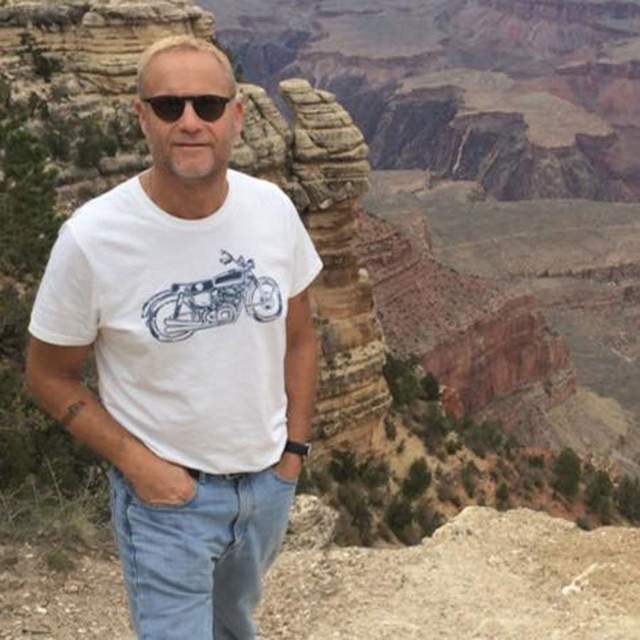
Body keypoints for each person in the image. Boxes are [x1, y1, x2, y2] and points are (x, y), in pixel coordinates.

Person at [25, 35, 323, 640]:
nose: (189, 122)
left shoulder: (272, 209)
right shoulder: (92, 238)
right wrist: (140, 467)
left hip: (264, 488)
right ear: (142, 117)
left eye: (207, 105)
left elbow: (299, 336)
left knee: (233, 627)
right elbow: (48, 375)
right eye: (168, 106)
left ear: (236, 116)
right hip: (166, 503)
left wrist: (292, 455)